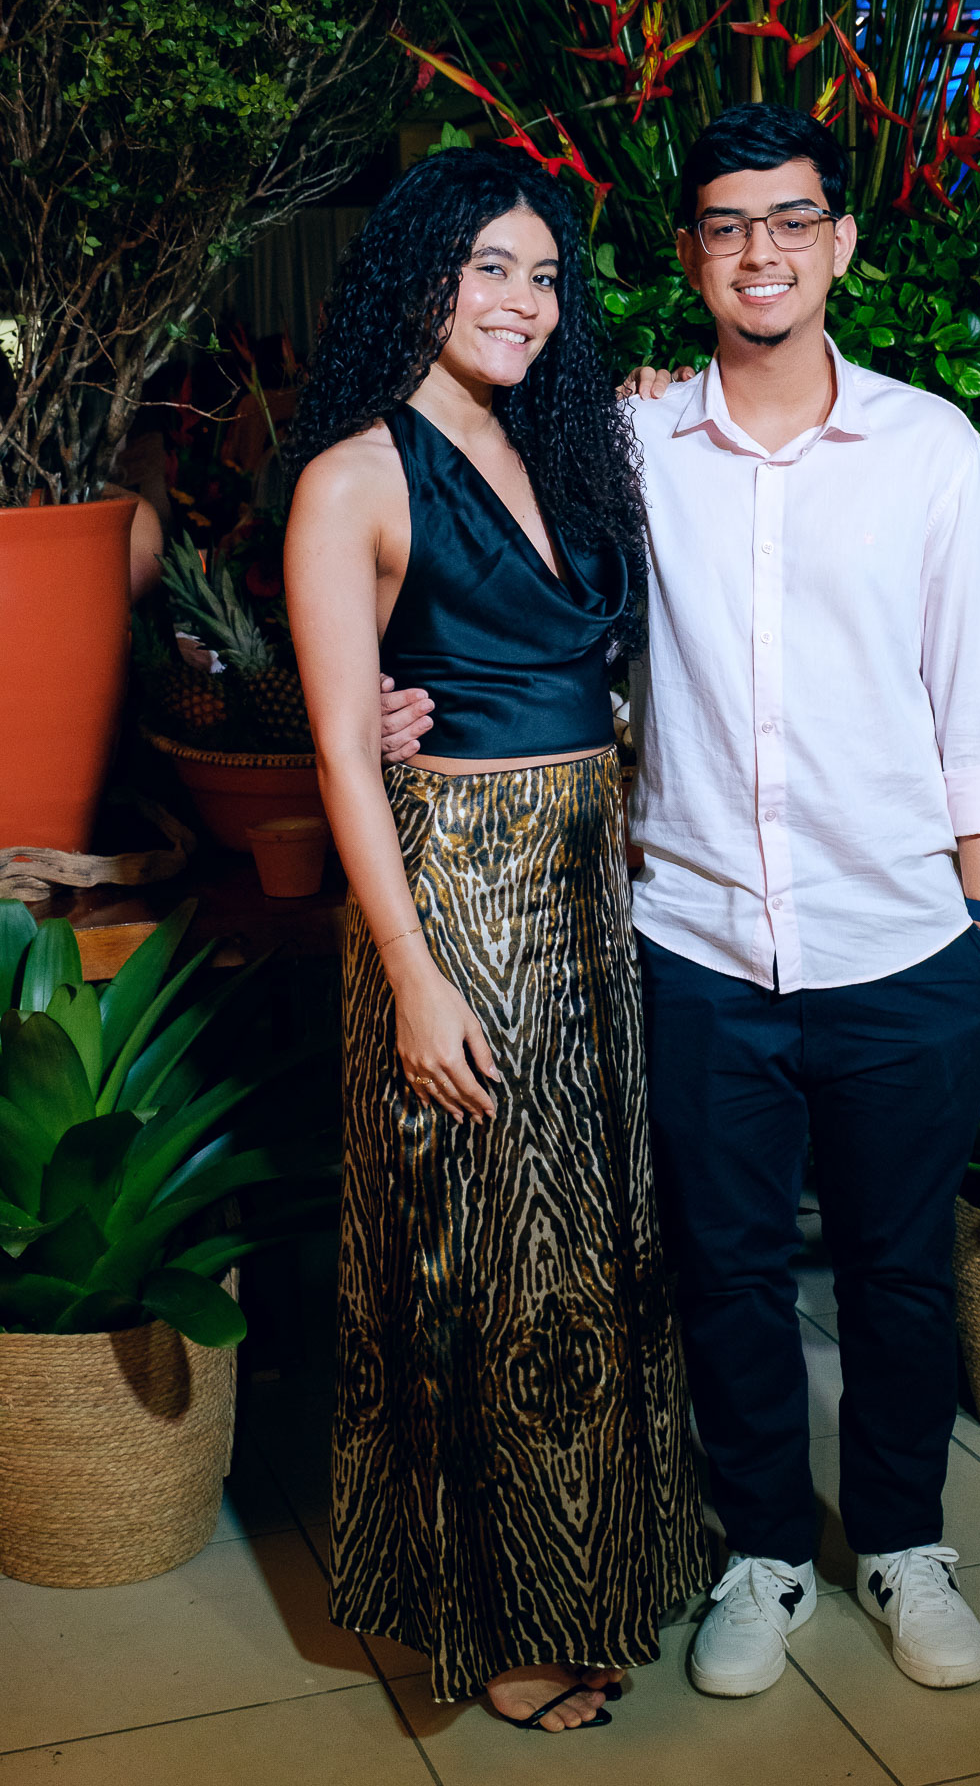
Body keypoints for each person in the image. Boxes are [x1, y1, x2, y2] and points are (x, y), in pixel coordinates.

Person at [380, 103, 980, 1701]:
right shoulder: (623, 445)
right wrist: (404, 696)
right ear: (690, 256)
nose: (762, 253)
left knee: (897, 1273)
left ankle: (904, 1540)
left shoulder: (930, 450)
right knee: (724, 1272)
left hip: (903, 945)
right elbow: (513, 604)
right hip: (697, 947)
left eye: (792, 221)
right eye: (730, 226)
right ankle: (762, 1551)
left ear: (839, 244)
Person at [284, 145, 708, 1734]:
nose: (523, 301)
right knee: (486, 1266)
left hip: (589, 895)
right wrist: (411, 977)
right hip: (457, 896)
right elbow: (345, 750)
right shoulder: (354, 477)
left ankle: (600, 1570)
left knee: (591, 1254)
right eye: (490, 268)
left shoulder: (561, 442)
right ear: (422, 276)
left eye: (544, 274)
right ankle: (506, 1618)